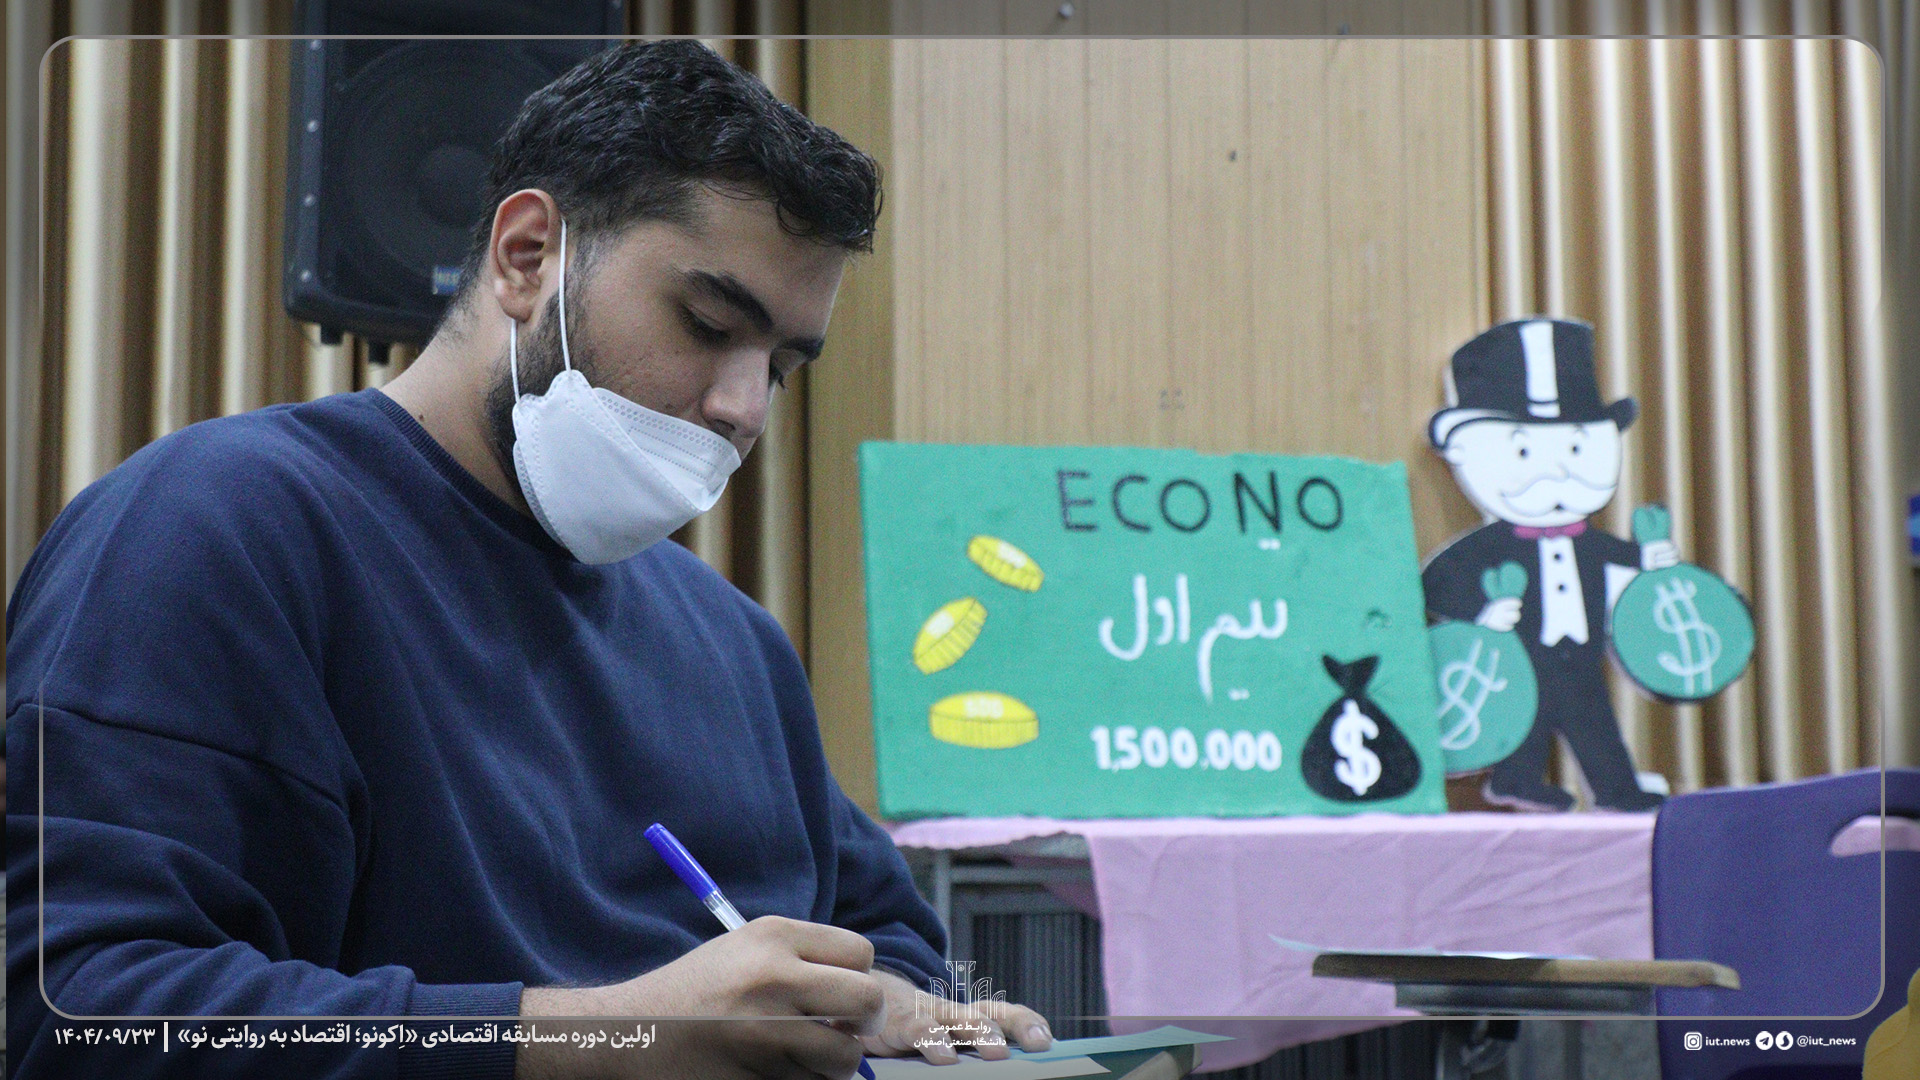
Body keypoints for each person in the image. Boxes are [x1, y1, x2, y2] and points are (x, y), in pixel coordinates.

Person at [6, 41, 1052, 1079]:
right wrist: (600, 1038)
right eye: (708, 324)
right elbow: (80, 1014)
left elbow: (888, 939)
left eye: (779, 367)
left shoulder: (735, 645)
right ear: (527, 256)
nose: (743, 408)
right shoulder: (216, 533)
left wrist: (892, 1007)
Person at [1421, 317, 1678, 813]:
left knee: (1594, 718)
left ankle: (1617, 789)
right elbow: (1436, 583)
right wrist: (1483, 615)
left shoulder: (1591, 543)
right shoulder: (1487, 546)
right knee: (1525, 717)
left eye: (1576, 447)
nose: (1557, 472)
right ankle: (1516, 779)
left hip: (1581, 654)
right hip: (1519, 659)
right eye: (1523, 448)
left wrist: (1648, 560)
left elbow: (1622, 566)